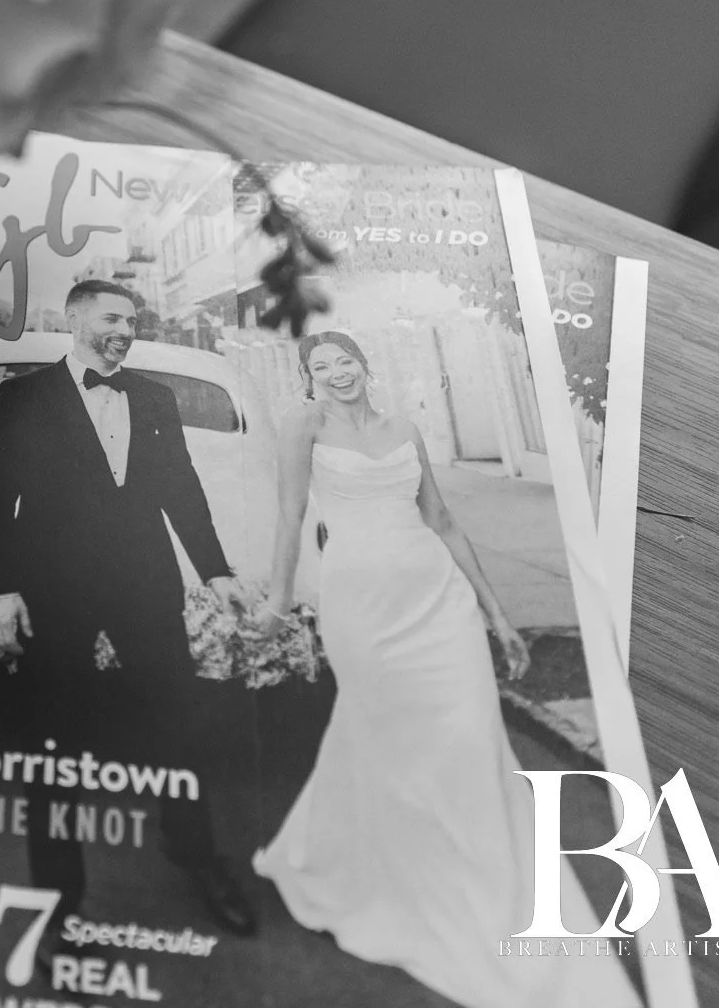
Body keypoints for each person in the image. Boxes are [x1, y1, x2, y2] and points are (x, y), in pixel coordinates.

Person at [254, 332, 639, 1007]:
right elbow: (289, 518)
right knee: (383, 742)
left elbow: (442, 519)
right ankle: (372, 869)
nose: (337, 373)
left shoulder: (404, 427)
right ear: (309, 377)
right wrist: (278, 603)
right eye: (322, 366)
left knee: (468, 737)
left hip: (439, 604)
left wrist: (497, 614)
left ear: (365, 363)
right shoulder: (303, 424)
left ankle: (487, 888)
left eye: (346, 359)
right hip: (363, 611)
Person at [0, 279, 257, 937]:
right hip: (53, 590)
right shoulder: (23, 398)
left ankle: (196, 854)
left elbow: (181, 489)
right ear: (74, 320)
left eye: (131, 319)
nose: (125, 329)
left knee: (177, 720)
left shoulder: (153, 399)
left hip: (143, 585)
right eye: (111, 317)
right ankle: (59, 902)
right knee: (53, 742)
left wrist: (214, 570)